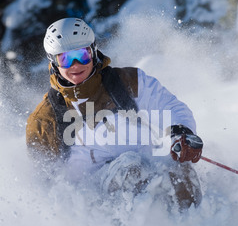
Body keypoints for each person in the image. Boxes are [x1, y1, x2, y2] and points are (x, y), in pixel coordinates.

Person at [26, 17, 203, 211]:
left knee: (181, 173)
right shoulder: (45, 119)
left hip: (150, 166)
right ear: (53, 62)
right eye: (66, 59)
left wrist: (182, 133)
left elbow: (170, 107)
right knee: (129, 169)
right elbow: (46, 181)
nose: (76, 65)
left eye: (82, 55)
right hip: (96, 199)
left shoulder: (128, 83)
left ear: (93, 52)